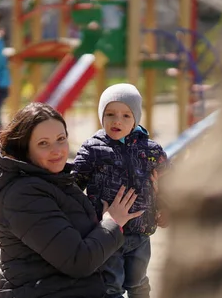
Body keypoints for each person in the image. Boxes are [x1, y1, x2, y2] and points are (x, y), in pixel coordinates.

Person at [0, 102, 144, 298]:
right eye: (43, 143)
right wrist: (113, 223)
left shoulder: (55, 179)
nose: (57, 150)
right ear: (24, 149)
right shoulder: (23, 196)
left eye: (61, 139)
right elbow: (78, 261)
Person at [72, 83, 170, 298]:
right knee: (110, 286)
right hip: (108, 233)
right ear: (101, 116)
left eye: (126, 115)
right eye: (110, 114)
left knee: (138, 284)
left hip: (141, 231)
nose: (117, 120)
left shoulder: (151, 150)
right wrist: (82, 218)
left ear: (136, 119)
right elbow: (74, 184)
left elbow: (166, 184)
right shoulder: (93, 149)